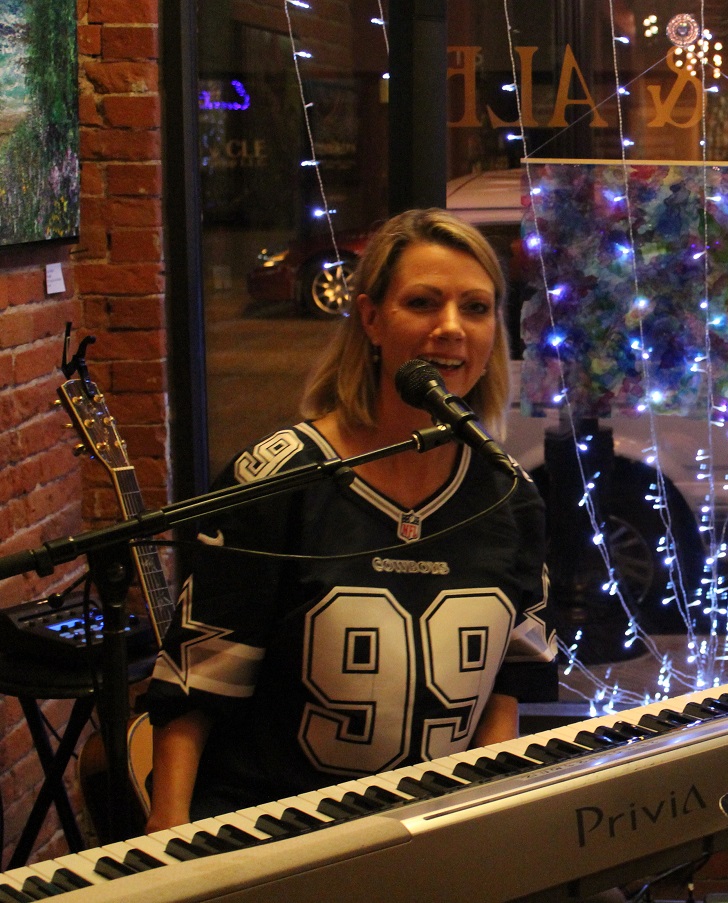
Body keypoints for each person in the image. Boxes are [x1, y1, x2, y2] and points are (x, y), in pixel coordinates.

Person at [142, 208, 557, 831]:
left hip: (430, 833)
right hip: (269, 832)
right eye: (422, 303)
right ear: (370, 318)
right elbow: (195, 686)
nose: (451, 328)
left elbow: (509, 680)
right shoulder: (277, 482)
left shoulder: (509, 496)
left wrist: (485, 819)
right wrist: (168, 836)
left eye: (475, 308)